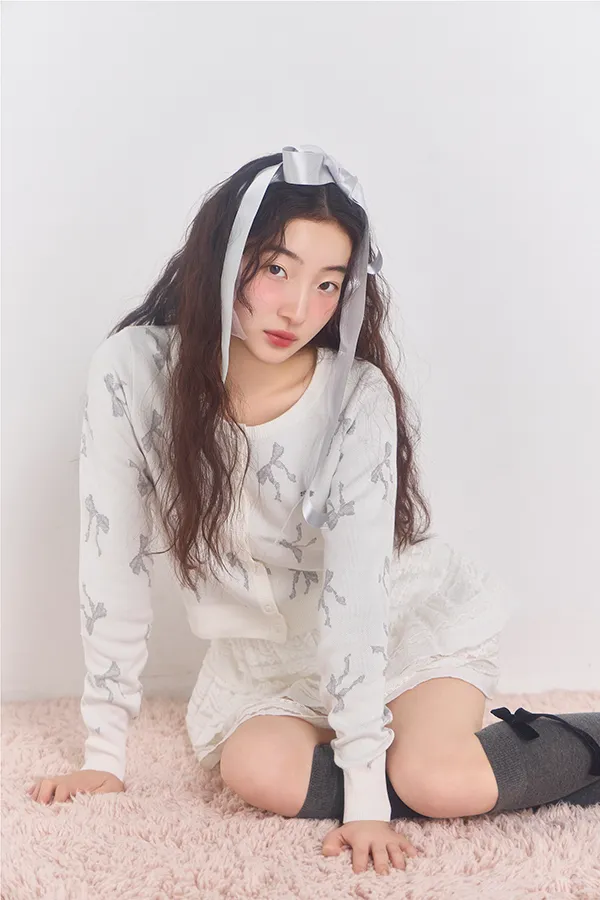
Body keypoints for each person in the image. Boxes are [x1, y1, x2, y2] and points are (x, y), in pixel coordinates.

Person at [27, 146, 600, 876]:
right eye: (277, 269)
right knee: (257, 773)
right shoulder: (131, 371)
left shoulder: (355, 395)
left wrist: (365, 801)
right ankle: (407, 760)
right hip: (265, 662)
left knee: (437, 781)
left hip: (392, 628)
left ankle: (564, 743)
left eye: (329, 283)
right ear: (222, 256)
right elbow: (111, 562)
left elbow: (357, 596)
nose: (298, 309)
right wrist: (103, 756)